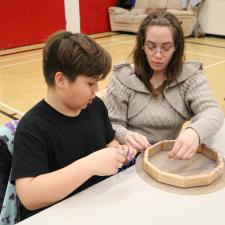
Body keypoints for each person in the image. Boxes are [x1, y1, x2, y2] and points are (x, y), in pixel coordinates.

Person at [10, 31, 136, 221]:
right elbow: (29, 196)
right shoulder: (32, 127)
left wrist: (121, 152)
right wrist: (91, 164)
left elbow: (111, 145)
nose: (97, 91)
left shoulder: (95, 106)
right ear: (60, 80)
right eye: (90, 83)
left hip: (99, 207)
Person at [105, 11, 224, 160]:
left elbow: (213, 112)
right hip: (128, 158)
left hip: (169, 156)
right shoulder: (123, 77)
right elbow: (110, 123)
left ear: (177, 47)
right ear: (142, 45)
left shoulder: (190, 77)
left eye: (166, 47)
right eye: (151, 46)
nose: (158, 55)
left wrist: (194, 132)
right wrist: (125, 135)